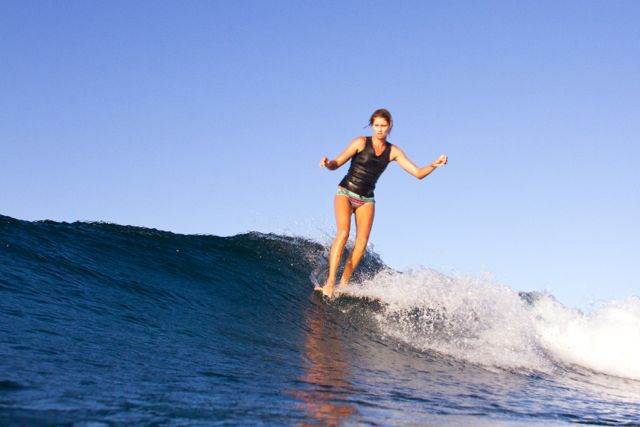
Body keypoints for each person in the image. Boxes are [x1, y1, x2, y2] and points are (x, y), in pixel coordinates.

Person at [317, 108, 448, 298]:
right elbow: (337, 163)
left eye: (383, 126)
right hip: (345, 192)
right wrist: (328, 163)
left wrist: (434, 165)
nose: (379, 129)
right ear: (372, 125)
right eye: (376, 125)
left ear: (389, 126)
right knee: (344, 233)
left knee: (361, 243)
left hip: (366, 199)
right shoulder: (360, 142)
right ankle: (330, 283)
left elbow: (418, 173)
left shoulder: (393, 151)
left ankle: (343, 285)